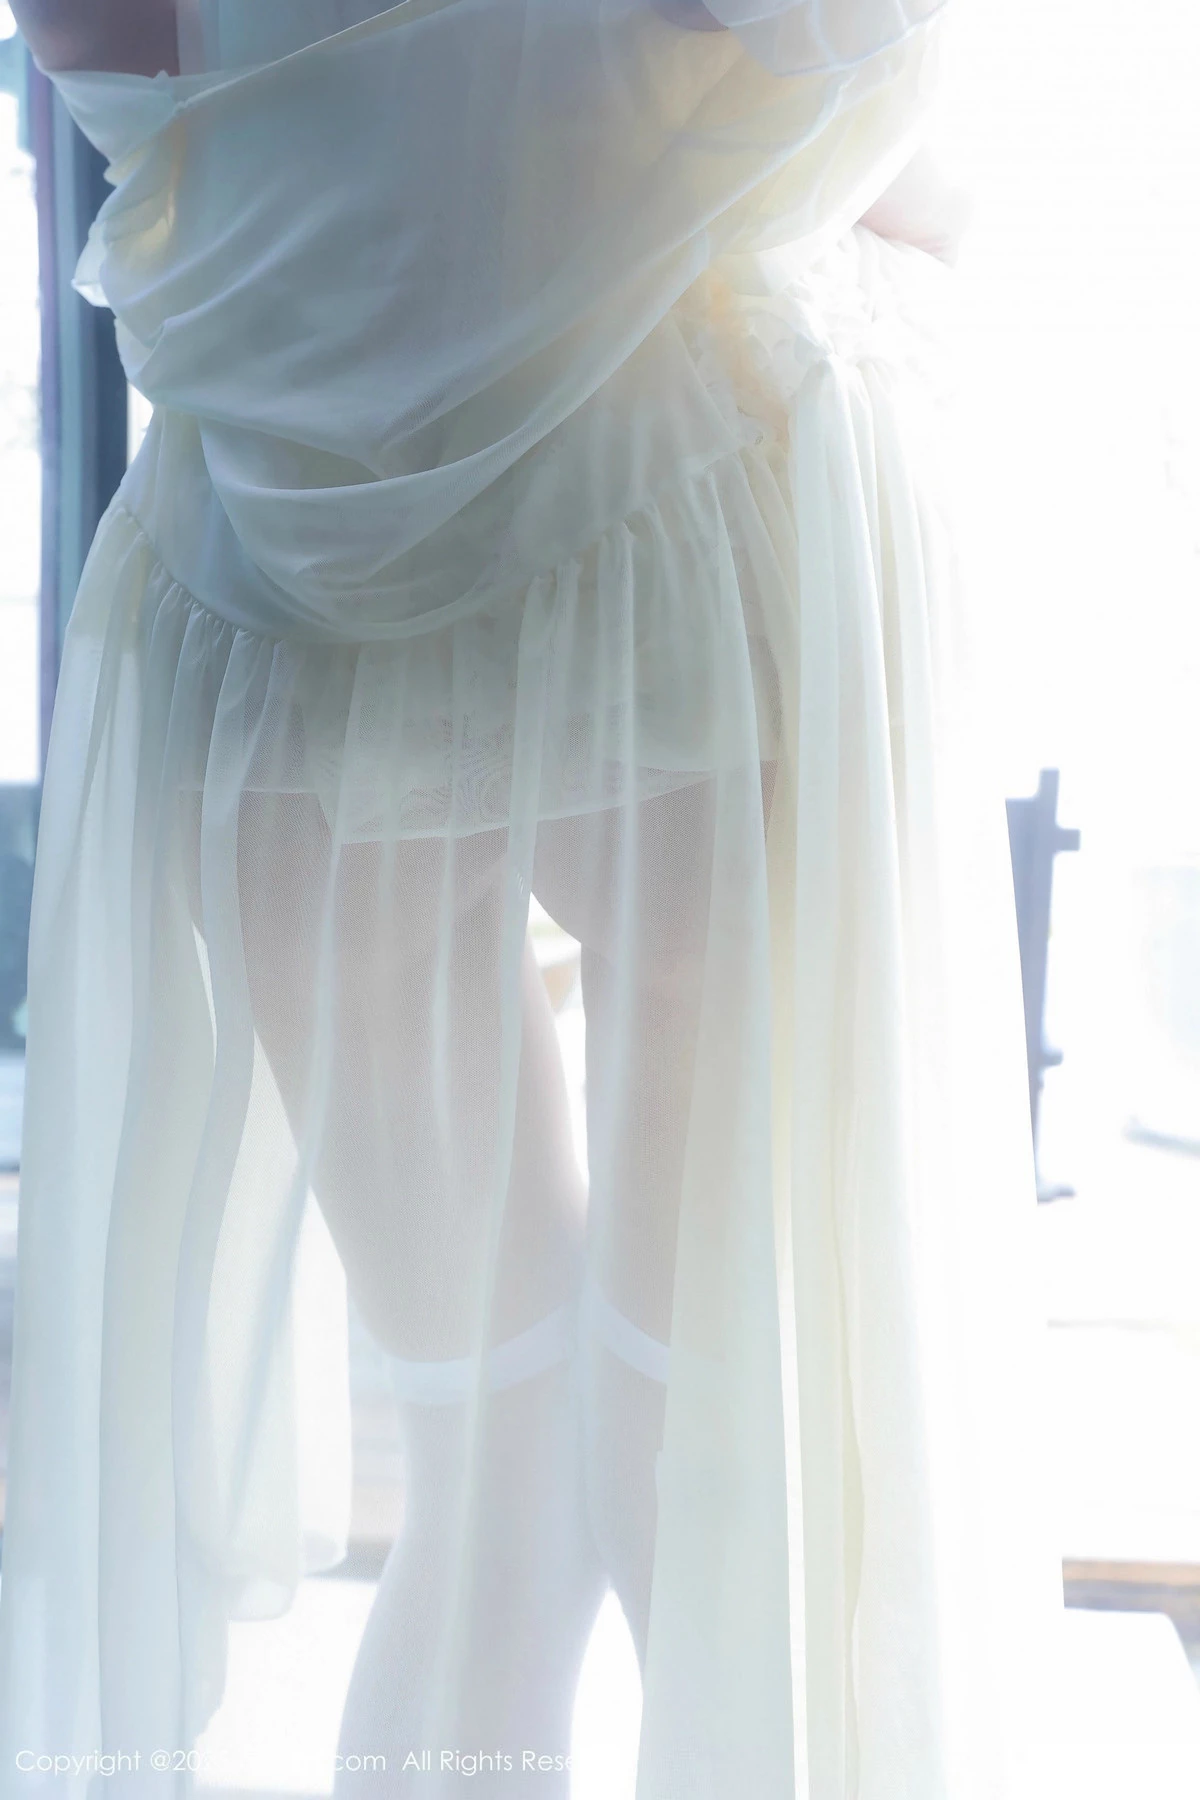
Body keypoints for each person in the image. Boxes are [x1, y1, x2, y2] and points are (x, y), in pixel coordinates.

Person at [0, 3, 1063, 1795]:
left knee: (491, 1463)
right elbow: (846, 45)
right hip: (674, 531)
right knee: (705, 1440)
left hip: (294, 565)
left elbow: (103, 47)